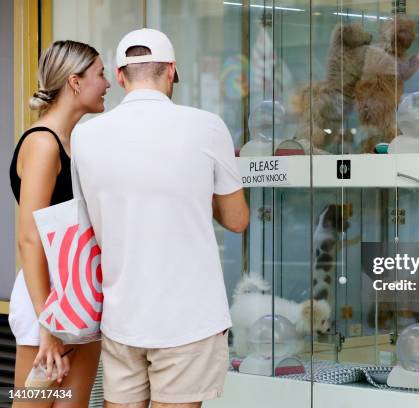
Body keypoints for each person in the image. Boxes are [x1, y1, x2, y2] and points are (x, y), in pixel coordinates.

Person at [70, 29, 249, 407]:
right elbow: (237, 220)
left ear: (119, 76)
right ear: (171, 71)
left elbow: (86, 219)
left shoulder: (85, 137)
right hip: (189, 320)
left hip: (121, 317)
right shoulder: (207, 126)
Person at [8, 40, 110, 407]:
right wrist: (48, 323)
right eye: (100, 74)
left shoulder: (73, 142)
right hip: (47, 301)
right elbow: (29, 239)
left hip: (76, 295)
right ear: (75, 82)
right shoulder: (43, 143)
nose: (108, 83)